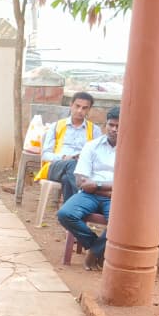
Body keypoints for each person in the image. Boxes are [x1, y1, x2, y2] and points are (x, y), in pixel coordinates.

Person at [57, 106, 119, 270]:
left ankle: (93, 253)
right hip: (90, 194)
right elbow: (80, 181)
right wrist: (108, 188)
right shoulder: (92, 146)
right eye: (111, 125)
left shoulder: (132, 151)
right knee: (65, 214)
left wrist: (97, 185)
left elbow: (127, 185)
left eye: (119, 126)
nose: (114, 129)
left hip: (116, 197)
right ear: (106, 124)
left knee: (119, 221)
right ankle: (96, 248)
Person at [35, 92, 96, 202]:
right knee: (72, 164)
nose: (80, 111)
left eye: (84, 108)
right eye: (77, 106)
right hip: (56, 167)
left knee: (67, 179)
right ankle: (83, 201)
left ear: (89, 110)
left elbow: (97, 156)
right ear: (71, 105)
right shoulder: (56, 126)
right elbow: (45, 155)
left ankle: (69, 214)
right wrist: (63, 158)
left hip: (80, 170)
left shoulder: (94, 130)